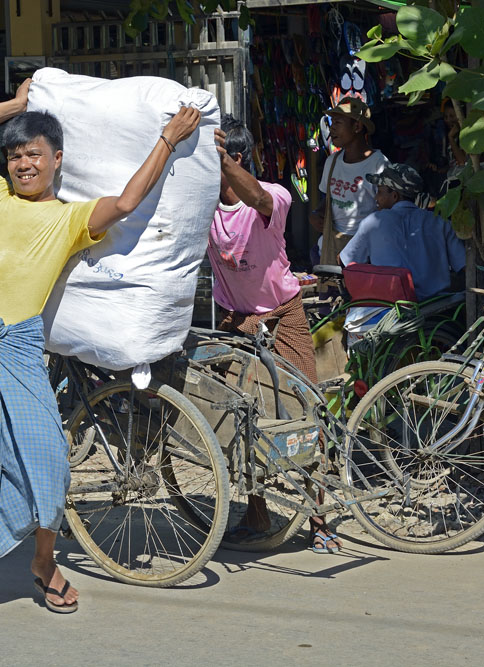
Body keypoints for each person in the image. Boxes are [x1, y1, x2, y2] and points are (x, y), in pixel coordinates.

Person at [0, 79, 201, 623]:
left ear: (57, 159)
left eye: (34, 154)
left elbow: (126, 201)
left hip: (19, 345)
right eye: (15, 155)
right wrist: (20, 106)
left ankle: (44, 564)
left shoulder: (69, 219)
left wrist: (166, 139)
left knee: (47, 456)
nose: (24, 164)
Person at [208, 115, 337, 553]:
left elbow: (259, 196)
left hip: (284, 315)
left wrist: (220, 160)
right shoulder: (203, 205)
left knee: (307, 412)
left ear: (235, 159)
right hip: (234, 320)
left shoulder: (275, 196)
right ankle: (257, 512)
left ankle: (320, 517)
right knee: (239, 421)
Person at [340, 163, 465, 335]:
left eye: (380, 191)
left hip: (395, 313)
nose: (376, 198)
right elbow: (462, 266)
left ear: (395, 195)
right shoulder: (439, 222)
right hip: (439, 311)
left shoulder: (374, 222)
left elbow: (346, 261)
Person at [308, 97, 389, 264]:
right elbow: (329, 199)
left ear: (357, 126)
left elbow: (388, 211)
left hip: (365, 249)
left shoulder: (379, 164)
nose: (332, 128)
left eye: (338, 122)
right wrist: (317, 213)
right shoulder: (332, 162)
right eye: (332, 122)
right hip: (332, 244)